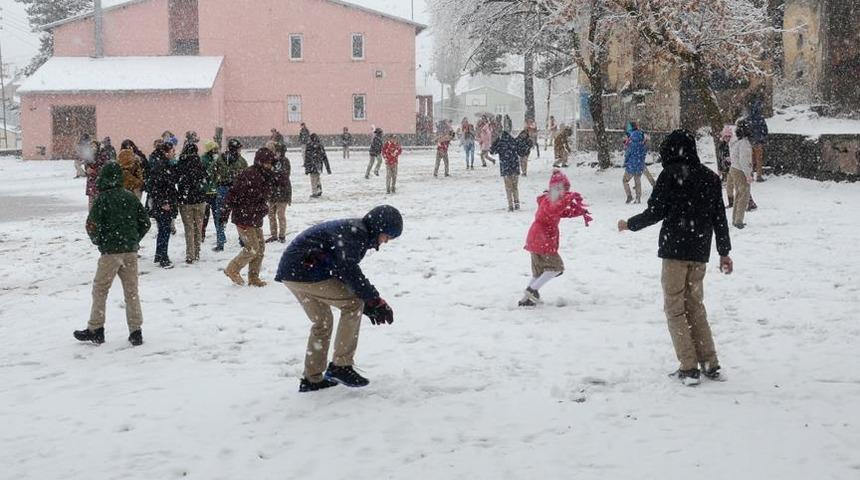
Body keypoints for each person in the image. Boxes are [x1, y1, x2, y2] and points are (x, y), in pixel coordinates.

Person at [617, 129, 733, 386]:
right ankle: (710, 362)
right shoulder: (710, 178)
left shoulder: (669, 176)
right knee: (695, 306)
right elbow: (719, 219)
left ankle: (689, 367)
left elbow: (655, 212)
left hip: (674, 251)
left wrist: (630, 224)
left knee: (675, 308)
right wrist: (724, 252)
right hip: (699, 252)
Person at [275, 205, 403, 392]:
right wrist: (373, 300)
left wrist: (368, 300)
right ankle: (341, 366)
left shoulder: (356, 231)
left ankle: (312, 379)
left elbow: (339, 268)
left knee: (323, 322)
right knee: (352, 304)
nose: (386, 241)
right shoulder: (356, 234)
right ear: (378, 227)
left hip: (293, 271)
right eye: (388, 236)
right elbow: (348, 270)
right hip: (304, 271)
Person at [74, 162, 151, 346]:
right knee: (131, 292)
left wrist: (100, 241)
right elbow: (145, 222)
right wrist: (134, 239)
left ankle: (96, 329)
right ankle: (136, 331)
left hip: (110, 252)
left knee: (100, 290)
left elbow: (91, 225)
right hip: (130, 252)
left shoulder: (102, 199)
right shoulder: (130, 197)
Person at [519, 170, 592, 306]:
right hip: (543, 238)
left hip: (535, 237)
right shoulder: (550, 201)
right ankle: (532, 290)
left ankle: (526, 299)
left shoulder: (550, 200)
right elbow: (554, 209)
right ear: (557, 188)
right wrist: (569, 198)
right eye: (565, 189)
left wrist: (579, 212)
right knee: (556, 267)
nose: (566, 192)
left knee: (539, 272)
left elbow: (561, 212)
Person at [221, 148, 275, 287]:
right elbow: (232, 194)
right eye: (267, 163)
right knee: (252, 248)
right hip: (244, 218)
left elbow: (262, 197)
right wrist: (224, 213)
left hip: (255, 217)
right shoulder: (248, 175)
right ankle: (232, 269)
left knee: (260, 249)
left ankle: (253, 278)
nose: (270, 165)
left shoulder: (266, 175)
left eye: (271, 163)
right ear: (260, 162)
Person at [211, 139, 248, 251]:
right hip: (237, 190)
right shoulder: (241, 161)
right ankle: (243, 240)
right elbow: (246, 176)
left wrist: (217, 183)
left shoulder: (220, 159)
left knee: (220, 217)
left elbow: (211, 171)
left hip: (222, 189)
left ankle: (220, 242)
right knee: (240, 215)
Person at [147, 142, 180, 269]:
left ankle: (159, 254)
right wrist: (164, 202)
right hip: (163, 204)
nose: (174, 153)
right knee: (164, 230)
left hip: (164, 202)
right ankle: (163, 258)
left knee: (162, 229)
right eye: (172, 151)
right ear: (166, 153)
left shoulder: (164, 165)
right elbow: (157, 187)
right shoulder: (162, 166)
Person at [176, 142, 208, 264]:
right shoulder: (200, 163)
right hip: (199, 200)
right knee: (198, 227)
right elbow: (206, 178)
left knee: (188, 228)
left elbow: (176, 178)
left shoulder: (181, 164)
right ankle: (197, 251)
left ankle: (190, 254)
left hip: (186, 201)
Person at [491, 130, 530, 211]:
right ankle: (517, 203)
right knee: (515, 187)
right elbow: (521, 152)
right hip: (514, 167)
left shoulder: (501, 143)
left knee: (508, 188)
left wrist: (496, 142)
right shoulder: (514, 142)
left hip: (506, 168)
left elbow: (492, 151)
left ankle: (510, 205)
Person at [728, 120, 754, 229]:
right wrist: (748, 174)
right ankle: (739, 220)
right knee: (744, 195)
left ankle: (735, 218)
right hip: (741, 170)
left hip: (734, 168)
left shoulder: (736, 142)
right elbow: (744, 160)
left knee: (738, 194)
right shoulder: (744, 143)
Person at [266, 142, 292, 243]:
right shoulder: (270, 161)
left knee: (281, 214)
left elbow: (284, 176)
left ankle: (282, 235)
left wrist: (273, 173)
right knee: (271, 214)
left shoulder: (284, 161)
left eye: (274, 151)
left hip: (283, 191)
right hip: (272, 192)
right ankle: (273, 235)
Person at [622, 121, 649, 204]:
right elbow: (645, 152)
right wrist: (641, 160)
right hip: (639, 164)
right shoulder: (642, 142)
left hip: (631, 165)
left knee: (625, 180)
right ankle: (638, 198)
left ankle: (629, 196)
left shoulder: (631, 142)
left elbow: (627, 154)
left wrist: (626, 162)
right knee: (637, 181)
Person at [200, 140, 220, 242]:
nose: (216, 151)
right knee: (205, 215)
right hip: (206, 191)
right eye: (214, 149)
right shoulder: (203, 160)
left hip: (215, 190)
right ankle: (202, 233)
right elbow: (207, 172)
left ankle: (219, 235)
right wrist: (214, 163)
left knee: (217, 215)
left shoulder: (217, 158)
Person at [747, 99, 769, 182]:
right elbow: (765, 130)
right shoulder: (760, 118)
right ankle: (759, 176)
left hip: (750, 142)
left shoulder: (748, 119)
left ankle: (750, 174)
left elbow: (746, 130)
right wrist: (763, 138)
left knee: (750, 159)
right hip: (758, 141)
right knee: (759, 159)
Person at [304, 133, 331, 198]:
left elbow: (307, 157)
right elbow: (324, 157)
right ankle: (319, 189)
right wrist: (328, 168)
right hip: (318, 164)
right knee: (317, 177)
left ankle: (314, 192)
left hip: (312, 165)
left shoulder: (309, 146)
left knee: (313, 179)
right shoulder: (320, 145)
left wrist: (306, 168)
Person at [85, 140, 108, 211]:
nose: (93, 148)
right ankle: (91, 216)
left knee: (100, 200)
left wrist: (95, 171)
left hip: (100, 181)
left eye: (94, 146)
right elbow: (86, 165)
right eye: (91, 146)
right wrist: (87, 169)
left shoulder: (102, 156)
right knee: (91, 200)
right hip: (91, 181)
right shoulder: (89, 156)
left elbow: (105, 167)